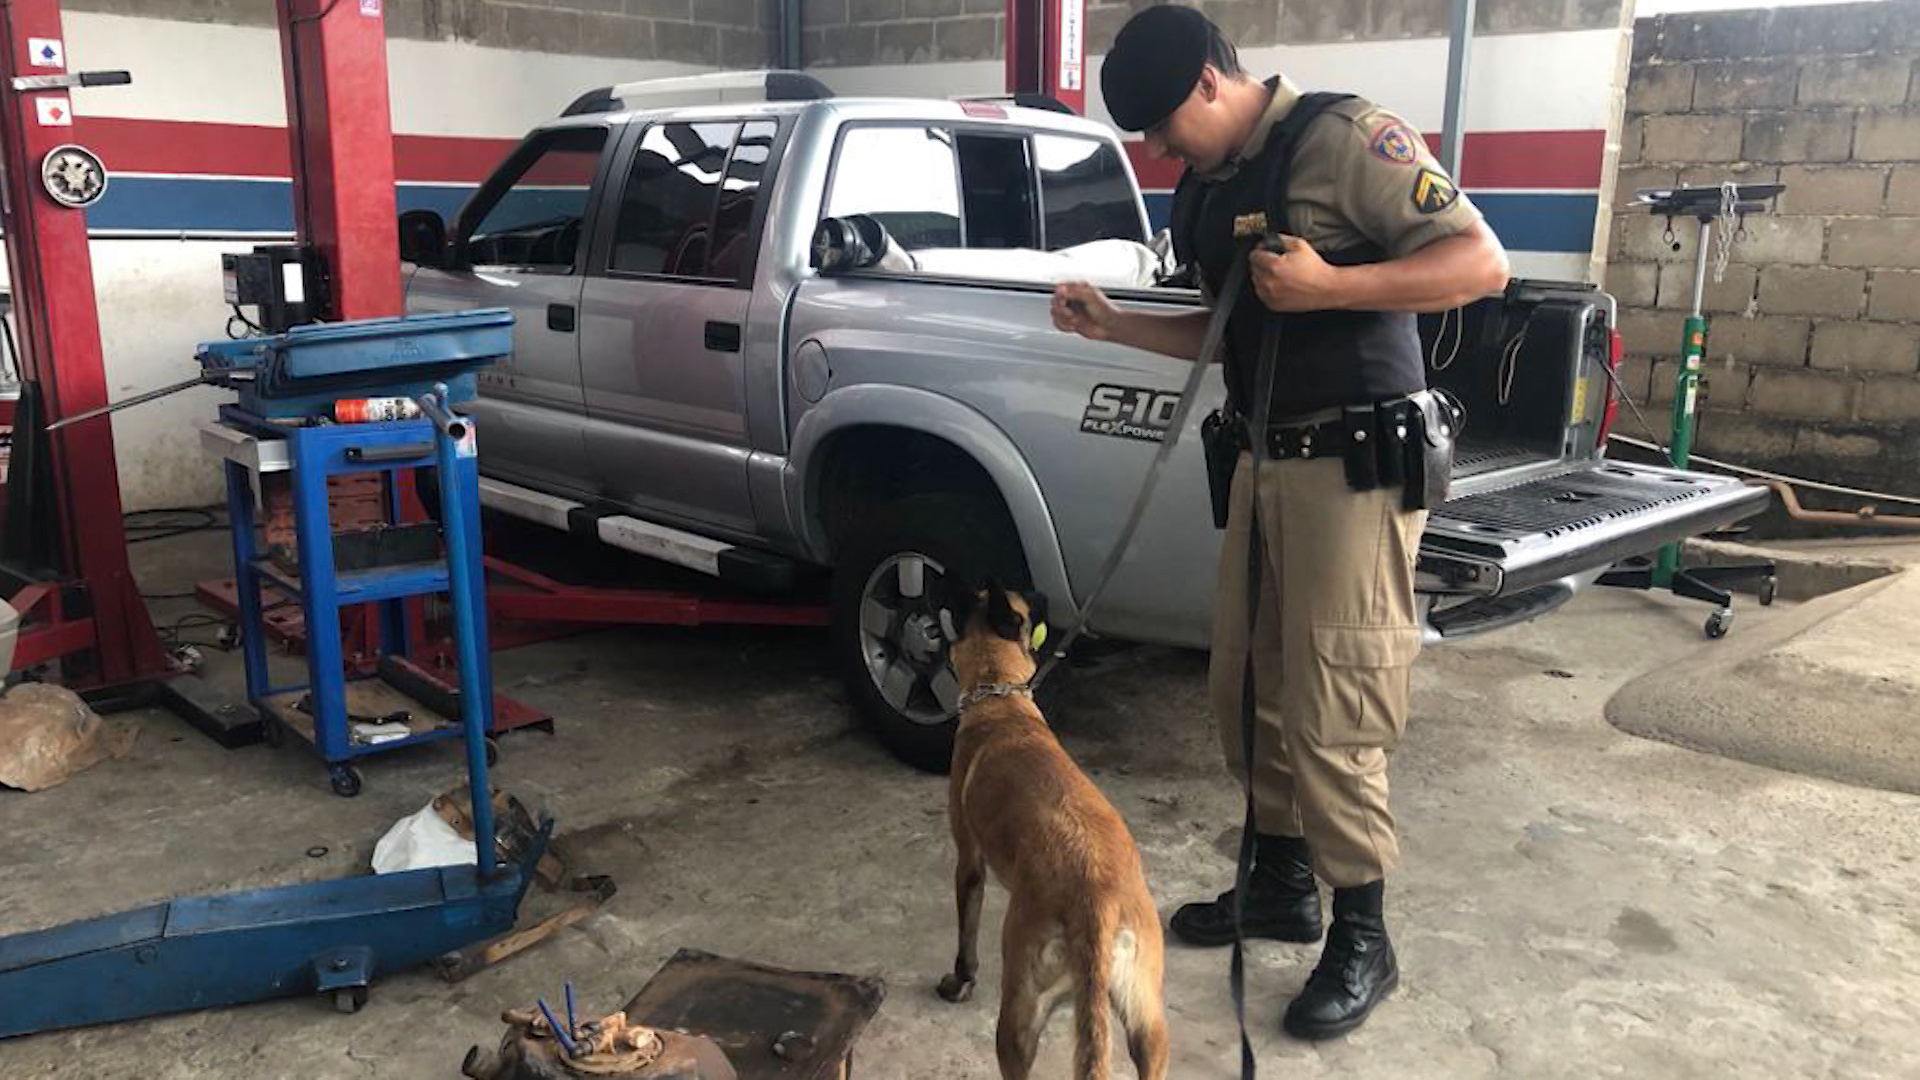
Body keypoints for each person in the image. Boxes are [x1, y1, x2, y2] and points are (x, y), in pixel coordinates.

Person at [1052, 4, 1510, 1042]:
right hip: (1262, 463)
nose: (1159, 150)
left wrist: (1335, 286)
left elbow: (1480, 264)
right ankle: (1280, 885)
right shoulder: (1210, 185)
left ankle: (1363, 934)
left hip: (1352, 467)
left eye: (1164, 126)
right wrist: (1113, 324)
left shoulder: (1344, 140)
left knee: (1336, 700)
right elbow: (1226, 331)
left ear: (1211, 82)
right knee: (1249, 689)